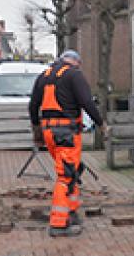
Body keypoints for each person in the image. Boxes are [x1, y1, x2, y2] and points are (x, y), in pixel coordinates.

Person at [29, 50, 107, 237]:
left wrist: (37, 129)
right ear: (76, 62)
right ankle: (58, 223)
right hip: (66, 132)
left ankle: (71, 211)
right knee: (65, 175)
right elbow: (86, 102)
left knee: (72, 171)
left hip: (49, 132)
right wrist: (101, 124)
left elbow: (33, 105)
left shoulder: (44, 75)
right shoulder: (74, 75)